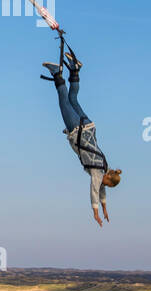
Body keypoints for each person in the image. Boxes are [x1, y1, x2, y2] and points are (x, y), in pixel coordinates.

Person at [42, 50, 121, 226]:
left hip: (89, 126)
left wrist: (105, 208)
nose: (103, 185)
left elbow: (101, 191)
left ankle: (75, 70)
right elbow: (95, 191)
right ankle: (56, 72)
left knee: (73, 98)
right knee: (64, 101)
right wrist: (95, 212)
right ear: (107, 178)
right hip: (78, 130)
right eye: (106, 184)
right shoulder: (97, 173)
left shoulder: (104, 167)